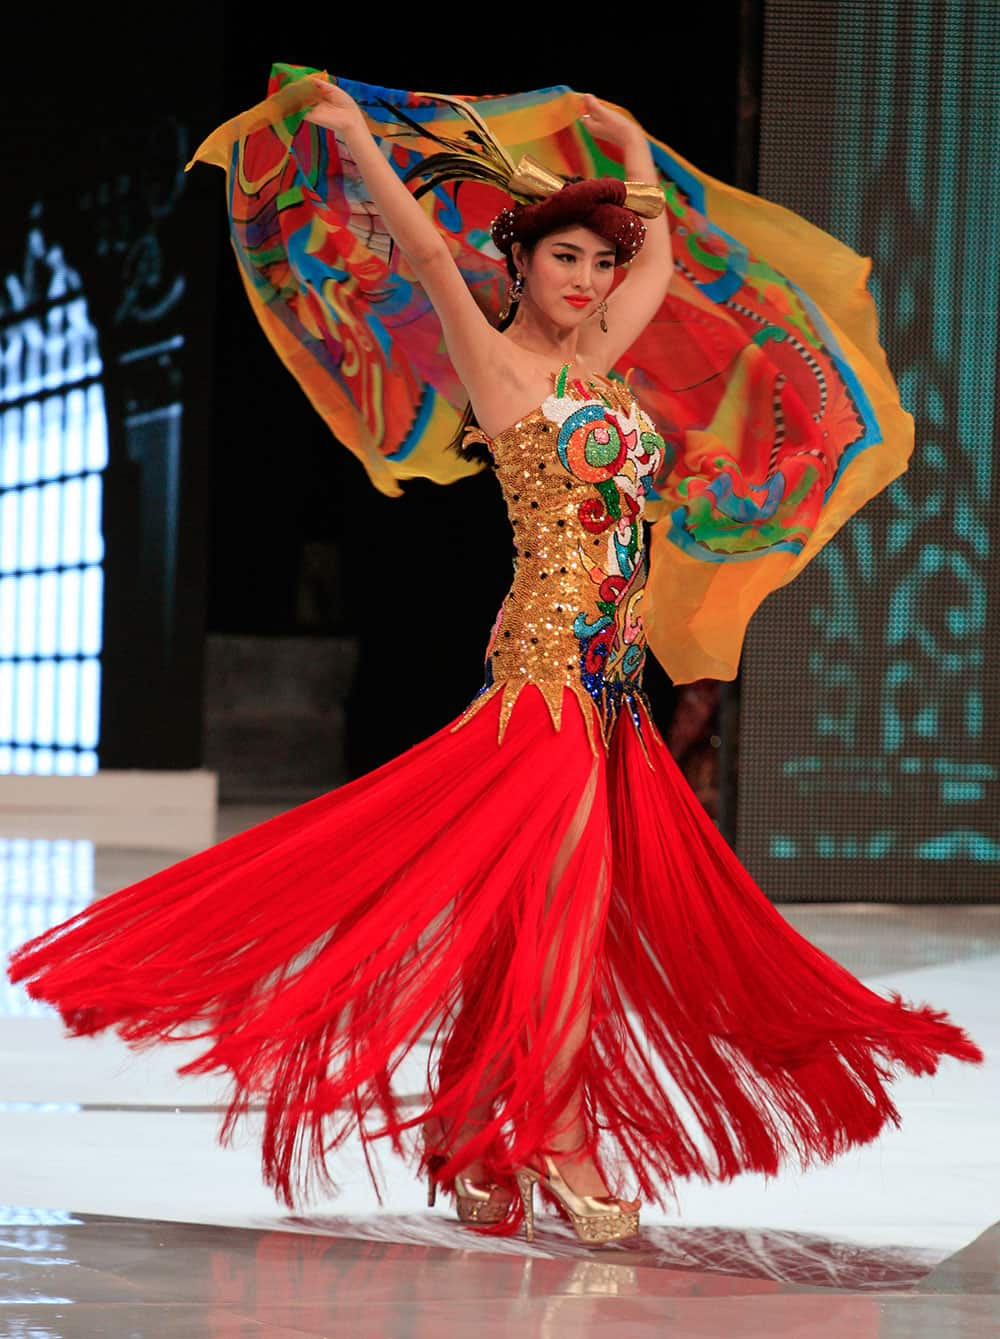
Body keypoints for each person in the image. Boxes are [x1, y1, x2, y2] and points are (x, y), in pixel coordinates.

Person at [8, 68, 984, 1247]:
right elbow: (424, 254)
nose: (587, 280)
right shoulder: (504, 367)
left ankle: (479, 1144)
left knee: (542, 920)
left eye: (596, 264)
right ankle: (559, 1142)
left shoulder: (597, 366)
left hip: (613, 696)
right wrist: (353, 140)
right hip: (545, 686)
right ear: (519, 265)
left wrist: (630, 149)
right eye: (564, 259)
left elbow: (664, 266)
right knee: (564, 920)